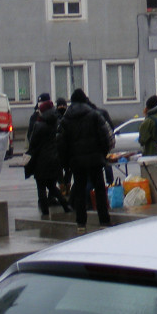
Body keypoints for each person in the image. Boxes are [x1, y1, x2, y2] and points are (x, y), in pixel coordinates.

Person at [58, 88, 113, 233]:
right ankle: (104, 221)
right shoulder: (95, 115)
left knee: (80, 192)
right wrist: (103, 153)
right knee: (100, 190)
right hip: (95, 160)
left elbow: (61, 144)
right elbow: (105, 137)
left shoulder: (66, 119)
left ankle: (81, 223)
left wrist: (66, 164)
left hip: (77, 162)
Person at [26, 99, 68, 217]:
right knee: (52, 186)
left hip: (41, 160)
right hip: (54, 159)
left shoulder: (39, 125)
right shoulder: (56, 122)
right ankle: (66, 205)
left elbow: (33, 142)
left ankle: (45, 211)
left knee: (41, 187)